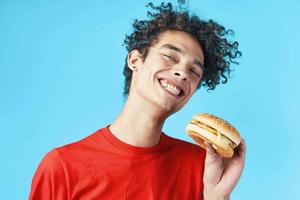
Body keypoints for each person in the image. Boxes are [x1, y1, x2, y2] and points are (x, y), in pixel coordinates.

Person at [29, 2, 246, 200]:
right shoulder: (62, 167)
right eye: (170, 57)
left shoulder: (201, 166)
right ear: (135, 60)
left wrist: (218, 196)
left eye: (194, 71)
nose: (182, 73)